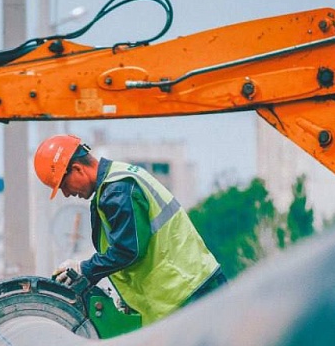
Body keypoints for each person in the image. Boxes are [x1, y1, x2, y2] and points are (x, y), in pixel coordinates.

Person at [34, 134, 226, 326]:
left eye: (63, 185)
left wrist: (84, 269)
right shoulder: (119, 180)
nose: (66, 194)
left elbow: (127, 250)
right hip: (187, 290)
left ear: (77, 169)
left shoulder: (117, 190)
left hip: (187, 293)